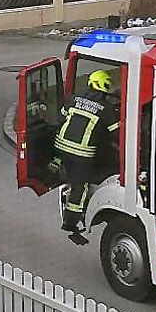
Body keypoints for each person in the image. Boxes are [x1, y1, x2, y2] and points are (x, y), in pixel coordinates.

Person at [52, 68, 120, 243]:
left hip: (60, 146)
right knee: (80, 187)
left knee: (68, 168)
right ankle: (71, 222)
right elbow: (117, 134)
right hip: (81, 154)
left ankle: (57, 164)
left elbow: (61, 119)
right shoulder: (106, 108)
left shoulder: (73, 99)